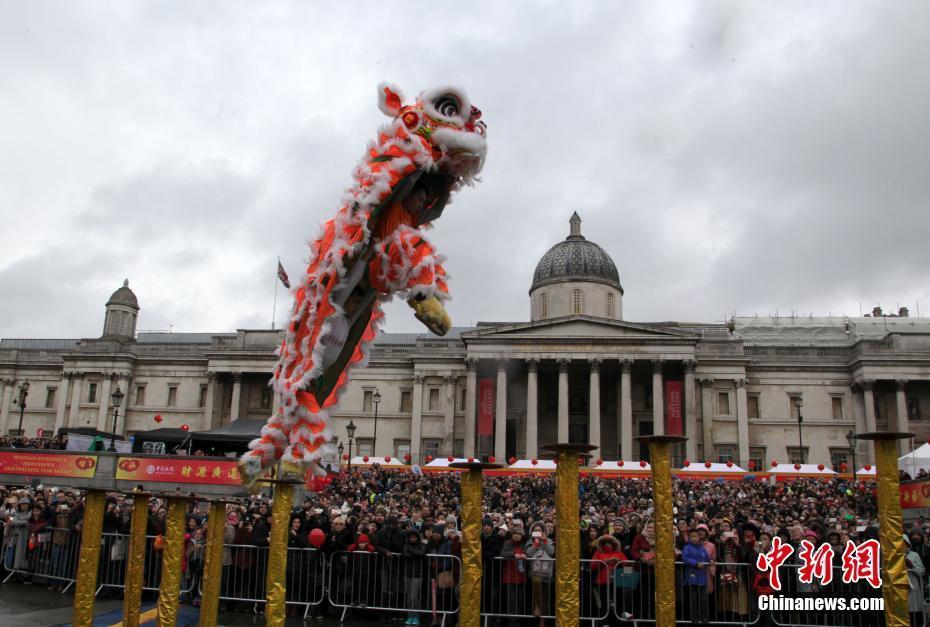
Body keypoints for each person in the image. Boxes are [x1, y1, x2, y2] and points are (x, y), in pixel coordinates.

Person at [591, 534, 626, 625]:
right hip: (602, 582)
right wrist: (604, 562)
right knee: (604, 604)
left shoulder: (619, 553)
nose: (607, 545)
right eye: (605, 543)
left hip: (617, 582)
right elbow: (592, 566)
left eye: (609, 543)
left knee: (618, 603)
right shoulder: (598, 553)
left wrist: (619, 562)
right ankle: (604, 622)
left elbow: (628, 565)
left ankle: (616, 622)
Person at [525, 521, 555, 625]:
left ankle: (543, 620)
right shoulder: (529, 542)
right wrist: (535, 544)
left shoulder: (549, 540)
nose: (538, 532)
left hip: (547, 573)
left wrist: (545, 541)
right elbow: (528, 553)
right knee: (536, 589)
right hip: (534, 572)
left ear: (543, 531)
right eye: (535, 530)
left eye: (539, 530)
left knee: (545, 597)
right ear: (532, 532)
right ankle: (536, 606)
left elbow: (552, 552)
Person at [682, 528, 710, 627]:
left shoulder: (702, 548)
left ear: (699, 537)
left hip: (702, 577)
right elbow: (685, 558)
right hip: (691, 577)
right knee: (693, 600)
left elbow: (707, 557)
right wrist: (696, 563)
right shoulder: (687, 547)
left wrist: (710, 561)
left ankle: (704, 619)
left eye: (696, 536)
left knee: (703, 600)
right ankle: (694, 619)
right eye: (692, 536)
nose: (694, 538)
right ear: (689, 538)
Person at [499, 527, 528, 626]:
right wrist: (513, 554)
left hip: (521, 576)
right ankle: (512, 621)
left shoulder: (524, 545)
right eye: (515, 533)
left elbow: (527, 554)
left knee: (519, 599)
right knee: (511, 599)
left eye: (519, 534)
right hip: (509, 576)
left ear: (522, 535)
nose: (516, 535)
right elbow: (503, 553)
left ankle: (518, 619)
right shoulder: (507, 543)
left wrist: (525, 555)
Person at [402, 527, 426, 626]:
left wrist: (411, 551)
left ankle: (416, 616)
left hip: (418, 574)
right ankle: (410, 616)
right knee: (408, 597)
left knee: (414, 596)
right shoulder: (405, 545)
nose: (412, 539)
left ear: (417, 537)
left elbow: (421, 554)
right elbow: (405, 555)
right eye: (410, 537)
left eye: (414, 537)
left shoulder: (422, 545)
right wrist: (414, 553)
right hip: (407, 573)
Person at [905, 535, 926, 627]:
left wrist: (912, 565)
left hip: (912, 588)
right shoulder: (893, 556)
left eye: (904, 543)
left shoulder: (914, 555)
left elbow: (921, 571)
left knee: (914, 614)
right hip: (899, 589)